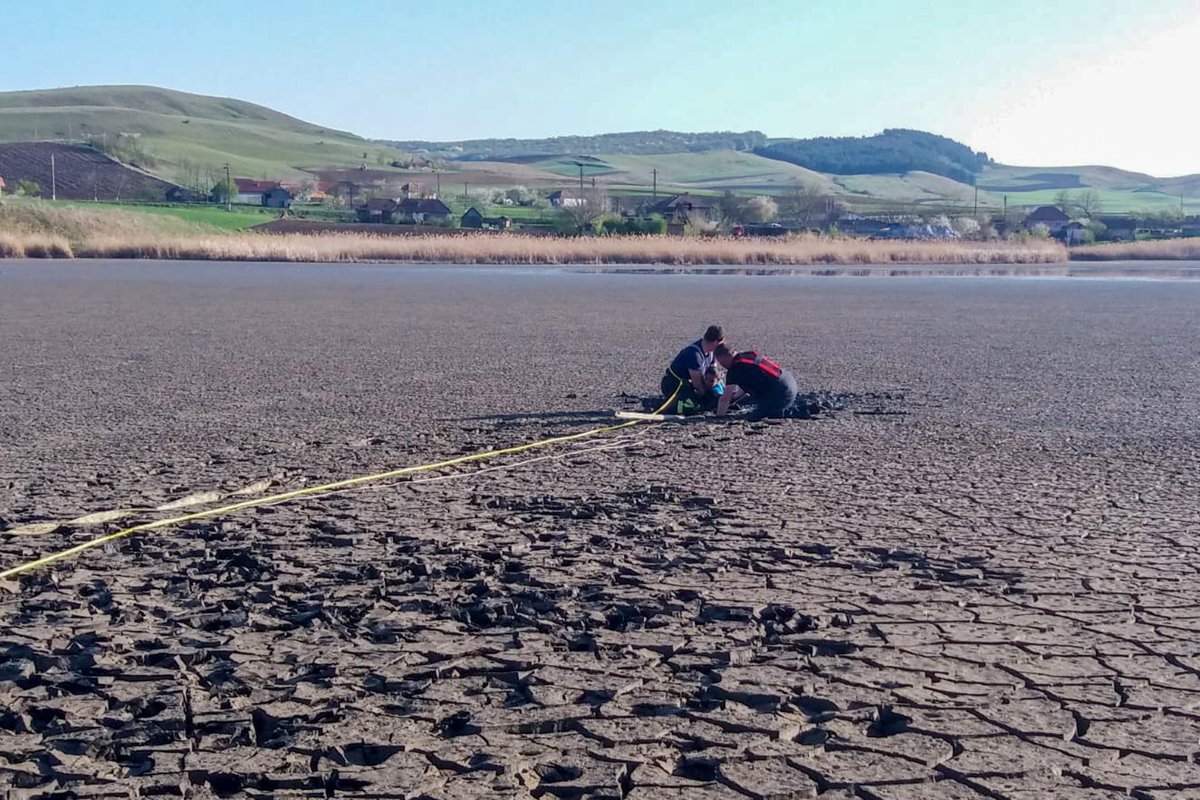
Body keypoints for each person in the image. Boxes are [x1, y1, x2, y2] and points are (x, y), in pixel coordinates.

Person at [714, 343, 804, 419]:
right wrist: (735, 398)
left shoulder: (734, 370)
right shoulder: (749, 355)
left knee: (756, 416)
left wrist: (719, 416)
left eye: (721, 363)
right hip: (788, 381)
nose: (722, 366)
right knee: (752, 402)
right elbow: (747, 384)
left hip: (781, 393)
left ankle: (804, 409)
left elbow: (724, 399)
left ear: (724, 358)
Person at [661, 325, 725, 415]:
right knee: (691, 407)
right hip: (675, 385)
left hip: (691, 384)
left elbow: (715, 374)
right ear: (715, 342)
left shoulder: (711, 353)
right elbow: (698, 385)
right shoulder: (694, 355)